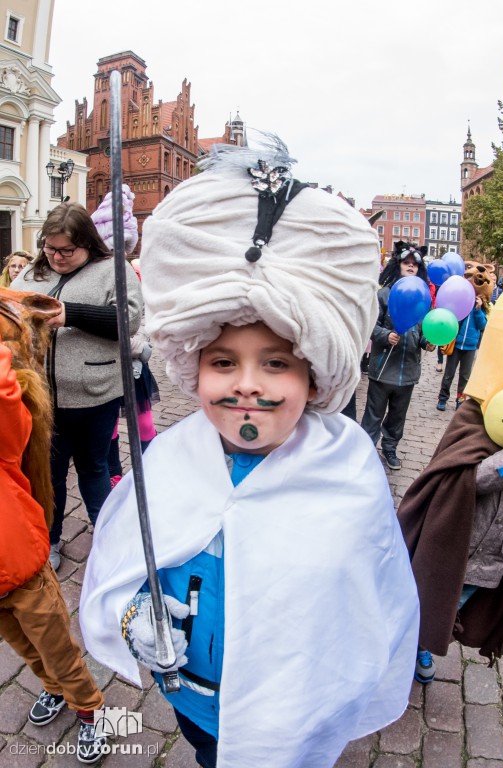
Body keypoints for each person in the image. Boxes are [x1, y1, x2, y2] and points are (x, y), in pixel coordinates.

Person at [80, 136, 419, 768]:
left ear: (313, 376)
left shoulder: (345, 471)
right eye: (223, 363)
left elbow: (364, 601)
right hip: (195, 704)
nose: (246, 384)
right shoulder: (172, 459)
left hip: (290, 713)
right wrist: (135, 617)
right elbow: (131, 554)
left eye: (276, 364)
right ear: (196, 368)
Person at [0, 289, 106, 764]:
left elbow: (6, 397)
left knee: (56, 645)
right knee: (24, 646)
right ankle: (52, 690)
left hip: (18, 563)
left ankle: (90, 709)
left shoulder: (7, 424)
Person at [11, 202, 142, 569]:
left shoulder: (112, 270)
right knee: (48, 475)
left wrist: (71, 313)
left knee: (94, 468)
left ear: (87, 242)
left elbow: (128, 319)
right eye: (50, 248)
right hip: (41, 400)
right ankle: (49, 541)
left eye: (67, 250)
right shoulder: (34, 273)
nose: (57, 257)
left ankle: (108, 538)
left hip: (93, 395)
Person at [398, 267, 503, 685]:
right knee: (431, 599)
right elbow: (465, 478)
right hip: (462, 545)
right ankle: (412, 645)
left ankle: (424, 640)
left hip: (497, 557)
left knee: (458, 606)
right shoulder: (476, 421)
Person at [90, 185, 159, 487]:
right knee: (109, 428)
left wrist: (138, 344)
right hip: (103, 366)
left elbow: (144, 318)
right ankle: (114, 475)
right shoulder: (93, 276)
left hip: (131, 364)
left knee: (142, 421)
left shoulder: (133, 275)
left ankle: (154, 468)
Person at [361, 241, 435, 470]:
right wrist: (385, 335)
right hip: (383, 369)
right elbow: (371, 325)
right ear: (398, 265)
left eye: (415, 264)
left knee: (397, 418)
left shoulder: (423, 300)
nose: (411, 266)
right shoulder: (383, 294)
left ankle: (390, 449)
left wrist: (428, 343)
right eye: (406, 263)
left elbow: (422, 332)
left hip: (408, 372)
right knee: (373, 415)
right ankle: (365, 451)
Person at [436, 294, 488, 412]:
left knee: (465, 377)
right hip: (457, 345)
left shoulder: (482, 307)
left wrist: (478, 310)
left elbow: (482, 325)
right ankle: (442, 399)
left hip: (470, 347)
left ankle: (460, 401)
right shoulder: (462, 301)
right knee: (449, 373)